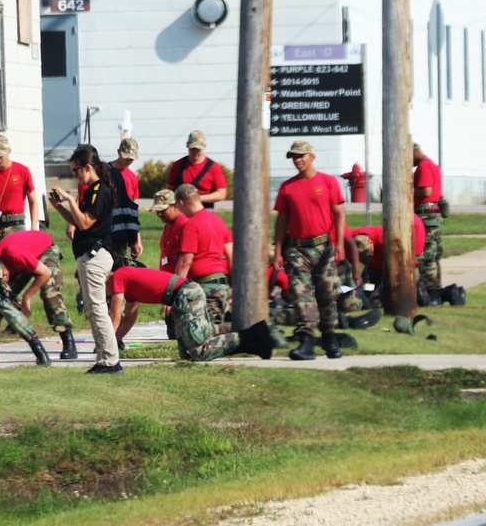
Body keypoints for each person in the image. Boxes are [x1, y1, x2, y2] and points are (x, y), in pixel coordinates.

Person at [50, 144, 121, 375]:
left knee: (98, 309)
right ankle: (104, 359)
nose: (74, 175)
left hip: (95, 256)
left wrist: (70, 200)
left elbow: (85, 224)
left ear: (87, 167)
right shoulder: (91, 190)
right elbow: (78, 220)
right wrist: (59, 207)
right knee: (92, 309)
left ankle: (110, 361)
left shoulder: (99, 190)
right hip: (89, 255)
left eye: (76, 170)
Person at [273, 140, 346, 361]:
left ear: (311, 156)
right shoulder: (287, 187)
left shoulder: (328, 182)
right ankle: (306, 341)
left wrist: (340, 243)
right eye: (294, 157)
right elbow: (281, 221)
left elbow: (339, 214)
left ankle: (329, 337)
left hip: (323, 247)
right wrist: (277, 250)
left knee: (327, 294)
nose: (298, 160)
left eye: (301, 156)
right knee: (301, 294)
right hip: (297, 250)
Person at [107, 266, 271, 362]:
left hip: (185, 294)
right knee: (186, 355)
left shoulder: (118, 278)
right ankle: (254, 341)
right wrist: (113, 343)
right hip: (183, 294)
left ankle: (250, 335)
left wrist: (105, 347)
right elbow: (128, 319)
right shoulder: (124, 281)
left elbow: (115, 318)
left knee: (198, 352)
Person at [0, 229, 77, 359]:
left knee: (49, 292)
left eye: (3, 275)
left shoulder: (14, 255)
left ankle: (68, 341)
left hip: (44, 249)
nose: (4, 278)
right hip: (24, 255)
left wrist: (27, 296)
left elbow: (45, 273)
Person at [173, 184, 233, 324]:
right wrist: (233, 285)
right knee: (218, 327)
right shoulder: (218, 222)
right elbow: (231, 256)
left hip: (205, 287)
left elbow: (185, 260)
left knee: (207, 333)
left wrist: (175, 289)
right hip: (221, 284)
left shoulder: (191, 225)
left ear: (181, 202)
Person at [105, 138, 143, 348]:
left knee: (121, 281)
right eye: (125, 157)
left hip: (122, 236)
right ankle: (109, 332)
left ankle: (116, 332)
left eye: (131, 159)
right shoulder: (106, 172)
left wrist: (136, 239)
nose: (128, 162)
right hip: (105, 234)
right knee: (109, 282)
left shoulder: (132, 178)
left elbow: (133, 211)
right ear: (118, 151)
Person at [0, 134, 40, 240]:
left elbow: (33, 201)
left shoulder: (22, 171)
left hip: (16, 224)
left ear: (9, 151)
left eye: (1, 156)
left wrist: (34, 227)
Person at [413, 142, 444, 302]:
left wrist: (405, 188)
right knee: (434, 254)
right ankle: (436, 291)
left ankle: (430, 293)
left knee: (427, 256)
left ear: (414, 152)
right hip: (433, 214)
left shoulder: (424, 166)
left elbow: (426, 191)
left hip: (426, 215)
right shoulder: (432, 164)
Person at [166, 130, 228, 209]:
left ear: (204, 146)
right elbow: (169, 189)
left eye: (198, 149)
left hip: (205, 208)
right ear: (187, 146)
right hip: (182, 209)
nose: (195, 152)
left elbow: (221, 194)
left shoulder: (214, 167)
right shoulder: (177, 165)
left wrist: (197, 199)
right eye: (192, 149)